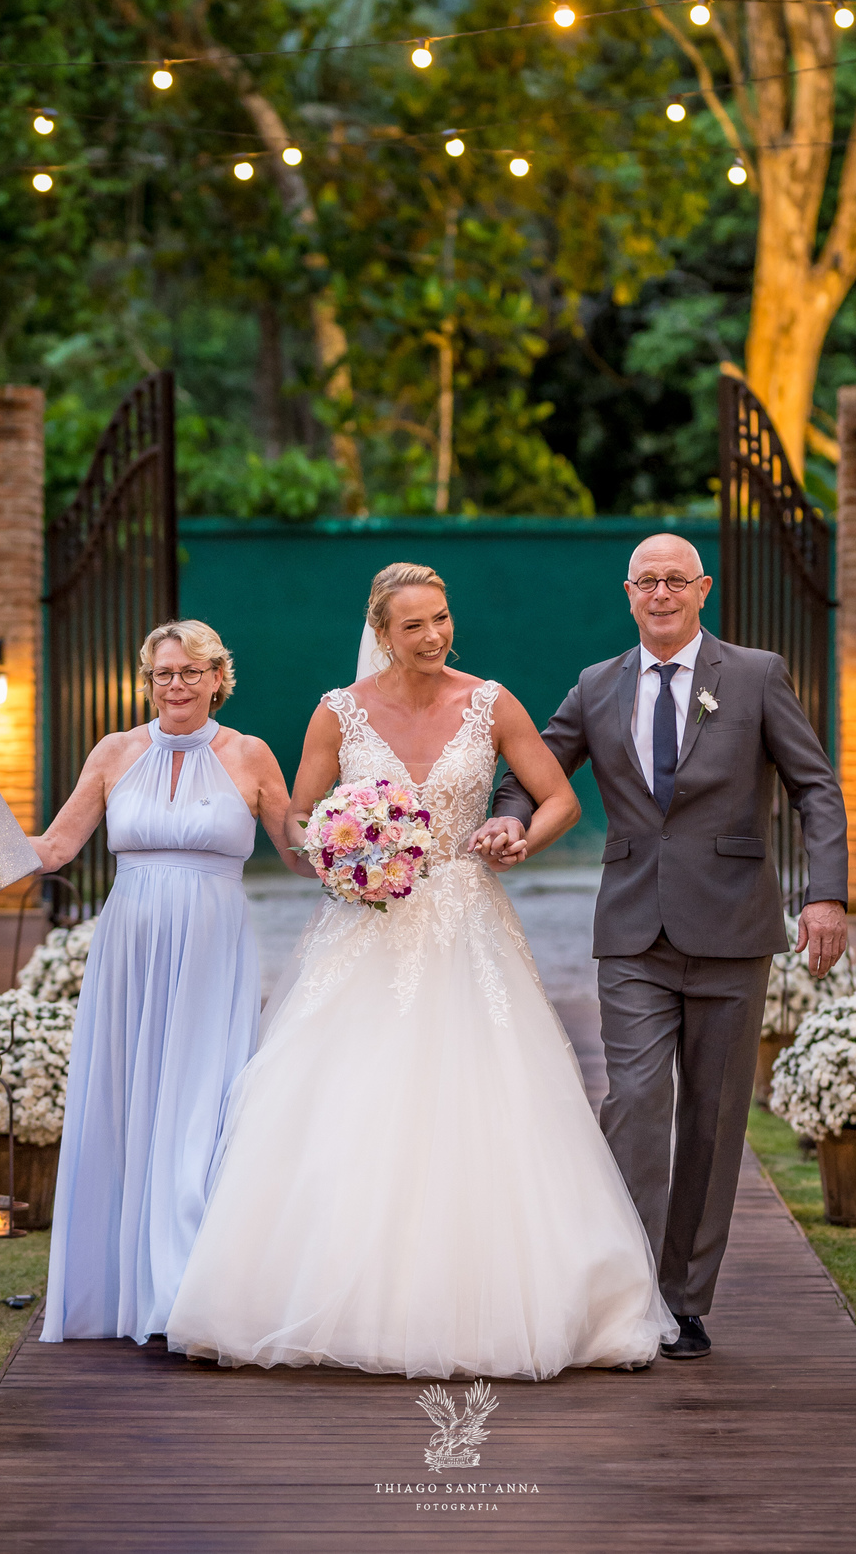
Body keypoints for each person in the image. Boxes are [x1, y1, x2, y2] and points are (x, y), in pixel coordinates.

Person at [165, 563, 674, 1379]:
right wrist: (342, 854)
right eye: (414, 626)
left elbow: (560, 800)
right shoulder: (338, 714)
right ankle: (322, 1296)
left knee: (485, 1104)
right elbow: (298, 830)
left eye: (441, 619)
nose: (435, 636)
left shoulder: (491, 701)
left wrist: (520, 839)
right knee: (346, 1106)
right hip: (364, 934)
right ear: (382, 634)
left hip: (469, 925)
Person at [473, 533, 848, 1362]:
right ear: (628, 592)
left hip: (732, 926)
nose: (662, 593)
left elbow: (814, 785)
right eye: (647, 581)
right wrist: (507, 813)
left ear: (703, 589)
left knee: (714, 1123)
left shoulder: (754, 675)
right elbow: (533, 765)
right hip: (634, 928)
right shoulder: (596, 685)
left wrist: (825, 891)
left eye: (677, 579)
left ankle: (683, 1300)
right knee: (637, 1100)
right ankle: (624, 1288)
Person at [0, 621, 295, 1344]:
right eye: (165, 672)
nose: (177, 684)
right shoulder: (114, 752)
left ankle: (189, 1292)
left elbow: (298, 851)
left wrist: (371, 849)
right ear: (149, 679)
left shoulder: (252, 755)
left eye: (192, 671)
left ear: (218, 678)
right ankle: (122, 1290)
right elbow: (53, 846)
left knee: (201, 1101)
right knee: (129, 1099)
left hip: (211, 947)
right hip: (130, 944)